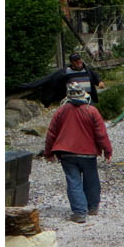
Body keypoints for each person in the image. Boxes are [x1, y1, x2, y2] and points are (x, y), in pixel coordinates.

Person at [44, 82, 113, 223]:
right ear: (84, 94)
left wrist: (48, 153)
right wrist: (107, 150)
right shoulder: (91, 110)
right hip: (88, 153)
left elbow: (51, 133)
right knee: (91, 180)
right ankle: (92, 207)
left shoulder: (61, 111)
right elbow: (101, 133)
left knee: (73, 182)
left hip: (66, 153)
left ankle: (80, 213)